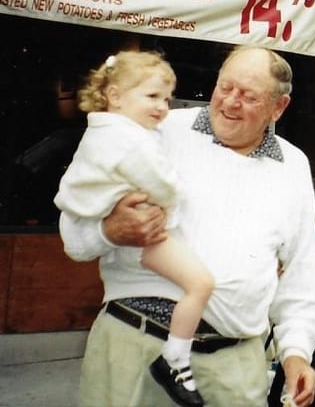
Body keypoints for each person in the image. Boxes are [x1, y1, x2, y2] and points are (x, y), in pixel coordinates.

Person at [59, 46, 315, 407]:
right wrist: (110, 230)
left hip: (234, 369)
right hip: (133, 348)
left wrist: (296, 353)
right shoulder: (154, 127)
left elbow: (300, 278)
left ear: (278, 108)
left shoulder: (293, 166)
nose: (230, 102)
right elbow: (75, 238)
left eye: (248, 96)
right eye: (225, 87)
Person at [54, 51, 214, 406]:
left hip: (134, 232)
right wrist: (175, 203)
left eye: (167, 99)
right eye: (152, 96)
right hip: (144, 236)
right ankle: (175, 359)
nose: (162, 107)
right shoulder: (125, 137)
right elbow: (162, 185)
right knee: (200, 284)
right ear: (115, 96)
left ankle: (174, 355)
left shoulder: (117, 130)